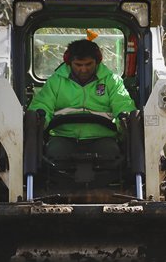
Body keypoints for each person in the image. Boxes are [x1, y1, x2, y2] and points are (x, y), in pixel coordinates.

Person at [28, 38, 136, 166]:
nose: (84, 70)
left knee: (112, 154)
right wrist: (39, 120)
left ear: (97, 61)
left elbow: (123, 104)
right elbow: (42, 105)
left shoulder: (112, 81)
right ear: (69, 62)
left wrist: (125, 120)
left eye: (89, 64)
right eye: (78, 65)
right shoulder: (56, 81)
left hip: (102, 137)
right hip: (63, 136)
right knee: (53, 154)